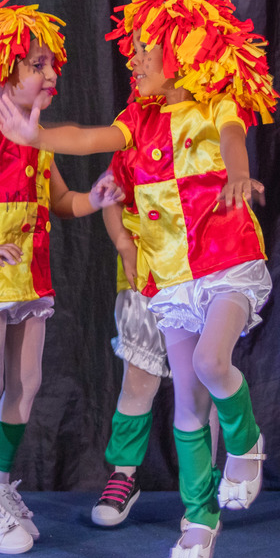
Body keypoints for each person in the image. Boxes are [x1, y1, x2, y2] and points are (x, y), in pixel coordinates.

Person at [0, 0, 279, 558]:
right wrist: (36, 134)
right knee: (186, 408)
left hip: (226, 262)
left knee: (212, 363)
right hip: (168, 279)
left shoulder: (215, 106)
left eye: (148, 48)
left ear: (186, 51)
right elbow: (89, 137)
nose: (135, 58)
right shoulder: (136, 121)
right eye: (135, 49)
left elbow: (232, 138)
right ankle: (199, 521)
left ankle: (246, 443)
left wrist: (237, 173)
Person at [0, 0, 121, 555]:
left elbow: (60, 201)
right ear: (3, 74)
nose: (50, 73)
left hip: (29, 282)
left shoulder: (38, 139)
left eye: (52, 64)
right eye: (37, 65)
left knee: (27, 383)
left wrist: (95, 199)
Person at [92, 157, 219, 528]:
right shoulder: (133, 139)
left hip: (197, 274)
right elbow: (110, 192)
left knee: (199, 384)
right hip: (144, 278)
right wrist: (124, 244)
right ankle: (124, 474)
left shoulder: (203, 133)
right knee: (137, 381)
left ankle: (202, 489)